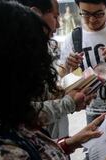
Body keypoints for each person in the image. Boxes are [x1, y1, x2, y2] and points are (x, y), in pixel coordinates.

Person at [0, 1, 106, 160]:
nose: (44, 66)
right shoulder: (4, 157)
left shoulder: (8, 113)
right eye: (37, 53)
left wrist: (67, 143)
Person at [17, 0, 94, 139]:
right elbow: (21, 112)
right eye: (55, 16)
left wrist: (69, 77)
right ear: (35, 14)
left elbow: (46, 94)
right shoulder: (13, 56)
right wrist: (68, 103)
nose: (58, 25)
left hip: (55, 144)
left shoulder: (41, 47)